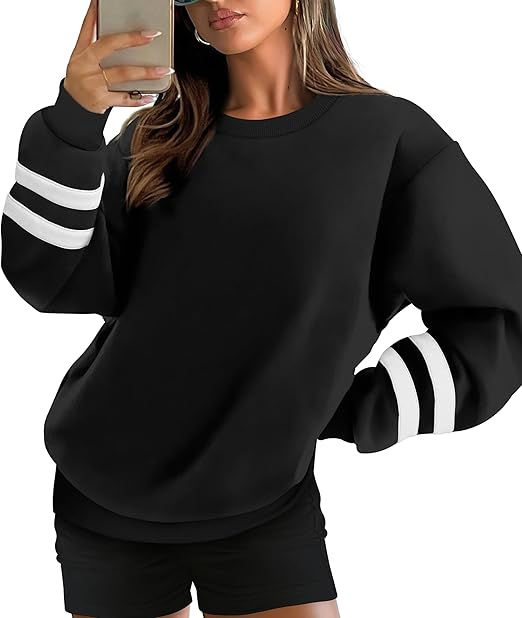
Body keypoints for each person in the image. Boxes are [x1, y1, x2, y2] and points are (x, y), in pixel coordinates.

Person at [2, 0, 522, 616]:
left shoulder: (388, 139)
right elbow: (52, 283)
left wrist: (348, 410)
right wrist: (74, 122)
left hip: (265, 502)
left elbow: (498, 322)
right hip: (102, 490)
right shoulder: (157, 136)